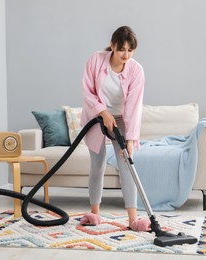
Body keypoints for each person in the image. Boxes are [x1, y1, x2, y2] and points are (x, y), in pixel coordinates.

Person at [80, 25, 150, 231]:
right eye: (122, 50)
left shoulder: (136, 70)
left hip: (121, 119)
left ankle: (133, 220)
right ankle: (94, 214)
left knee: (126, 165)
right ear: (112, 46)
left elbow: (134, 107)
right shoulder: (95, 60)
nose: (126, 54)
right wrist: (103, 112)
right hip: (96, 115)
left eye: (130, 50)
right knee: (98, 165)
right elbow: (88, 91)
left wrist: (129, 138)